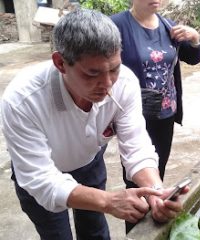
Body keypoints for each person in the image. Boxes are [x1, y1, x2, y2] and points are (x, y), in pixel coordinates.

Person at [1, 9, 188, 240]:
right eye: (92, 73)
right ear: (60, 63)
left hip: (89, 164)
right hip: (41, 172)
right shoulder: (22, 100)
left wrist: (156, 193)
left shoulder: (125, 83)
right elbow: (40, 179)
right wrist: (108, 200)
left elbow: (136, 147)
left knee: (96, 232)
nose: (107, 83)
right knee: (56, 234)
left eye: (114, 68)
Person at [111, 0, 200, 206]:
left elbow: (193, 57)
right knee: (134, 177)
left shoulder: (169, 26)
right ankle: (136, 228)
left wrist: (195, 38)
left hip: (166, 112)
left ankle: (154, 212)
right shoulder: (116, 26)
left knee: (157, 170)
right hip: (134, 114)